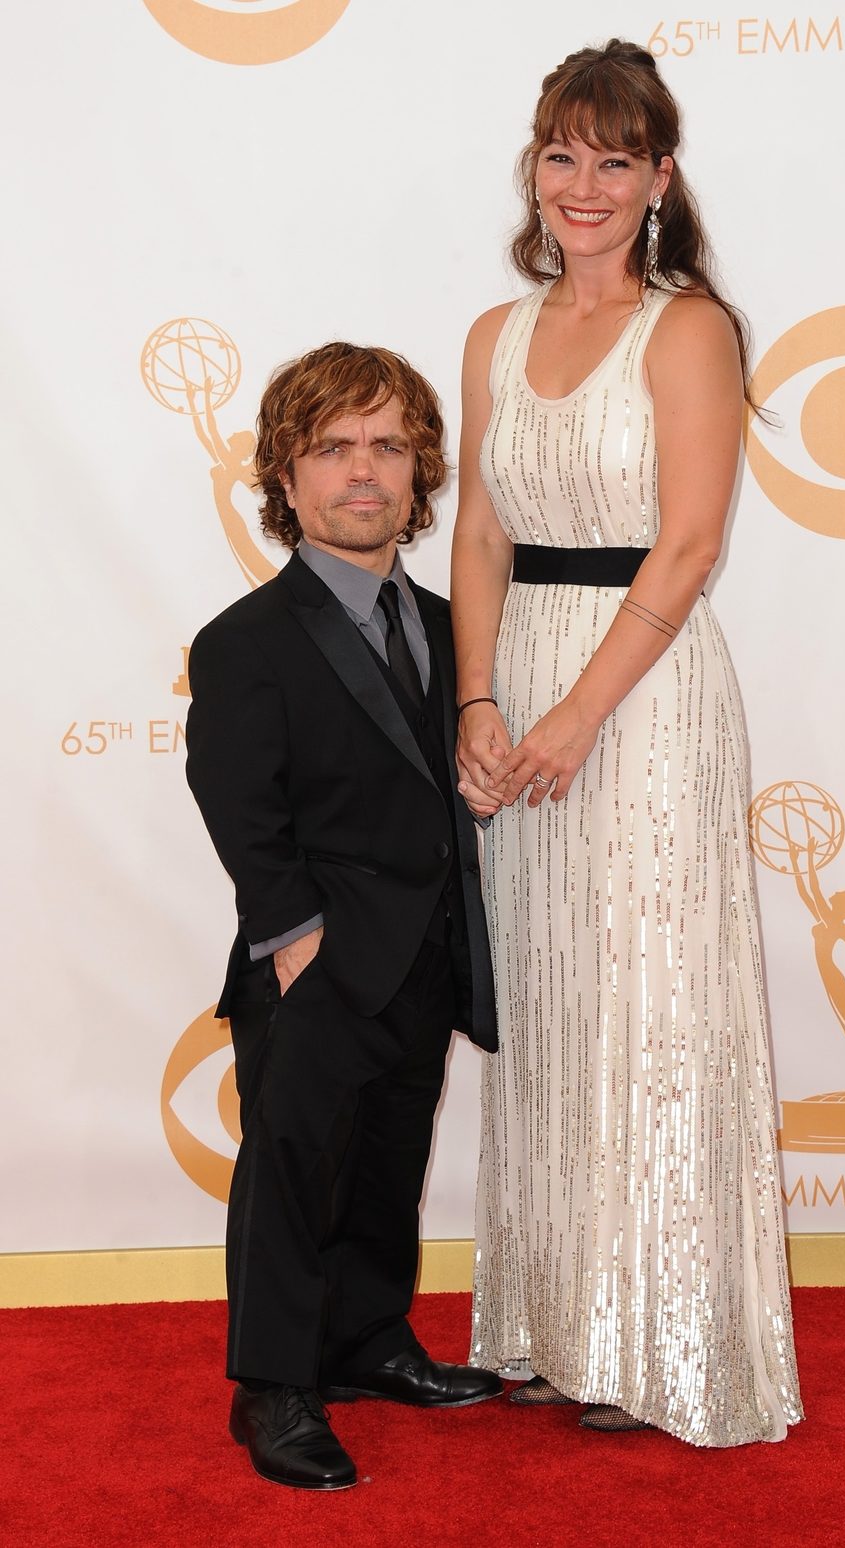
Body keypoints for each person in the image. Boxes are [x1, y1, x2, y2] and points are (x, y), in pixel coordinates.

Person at [451, 39, 803, 1443]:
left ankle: (660, 1336)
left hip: (641, 701)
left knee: (650, 1004)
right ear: (533, 168)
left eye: (614, 158)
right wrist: (479, 704)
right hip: (522, 685)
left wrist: (575, 719)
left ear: (659, 177)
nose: (582, 185)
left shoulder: (690, 327)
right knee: (545, 1003)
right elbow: (480, 529)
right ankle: (553, 1321)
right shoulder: (495, 332)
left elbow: (694, 542)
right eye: (561, 154)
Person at [185, 341, 502, 1491]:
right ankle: (274, 1386)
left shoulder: (450, 621)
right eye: (332, 449)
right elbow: (238, 804)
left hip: (423, 955)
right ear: (285, 476)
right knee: (290, 1172)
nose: (361, 472)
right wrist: (294, 942)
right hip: (310, 965)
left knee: (386, 1163)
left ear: (419, 473)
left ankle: (367, 1342)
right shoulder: (244, 643)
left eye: (386, 446)